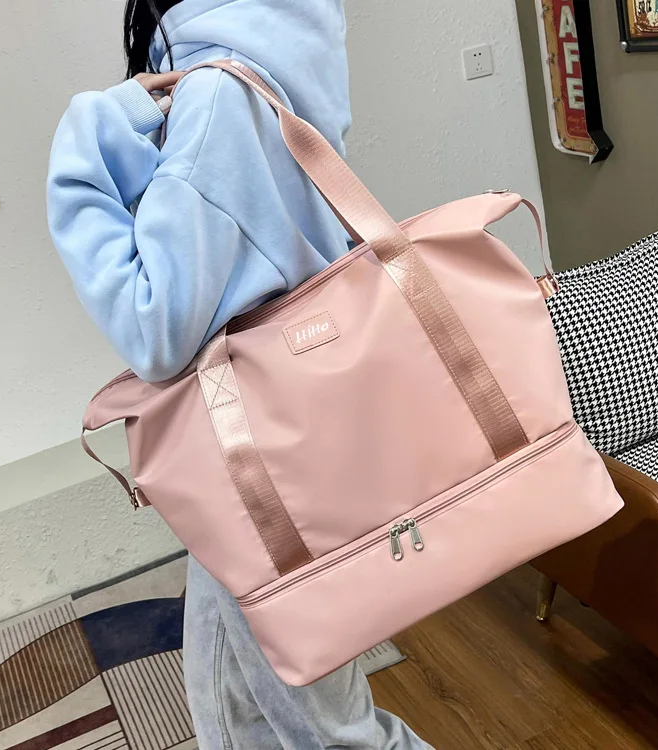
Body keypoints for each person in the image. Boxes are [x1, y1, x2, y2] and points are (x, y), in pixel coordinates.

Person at [47, 1, 433, 747]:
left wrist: (84, 141)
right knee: (244, 701)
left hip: (259, 458)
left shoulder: (217, 97)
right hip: (297, 430)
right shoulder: (285, 54)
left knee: (329, 732)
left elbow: (154, 328)